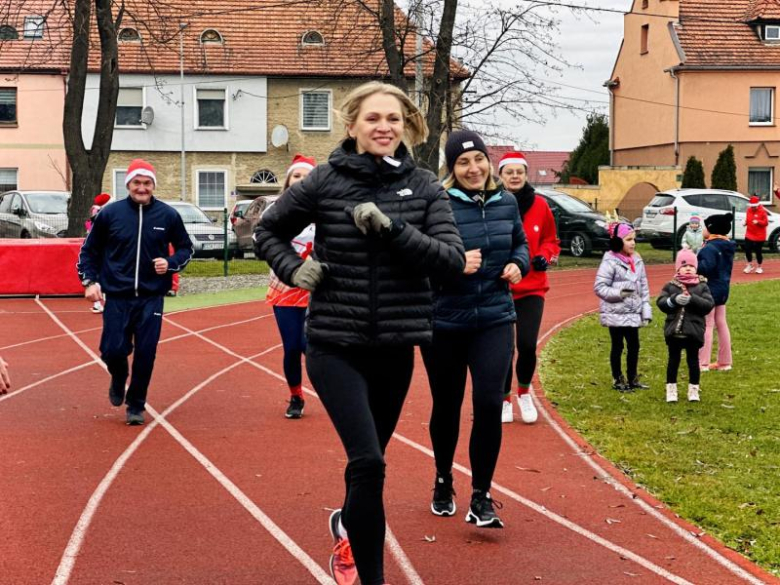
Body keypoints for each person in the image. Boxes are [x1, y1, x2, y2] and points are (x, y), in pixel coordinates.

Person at [253, 82, 465, 585]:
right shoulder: (325, 181)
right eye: (372, 118)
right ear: (352, 126)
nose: (383, 127)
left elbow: (452, 261)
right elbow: (267, 230)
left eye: (392, 118)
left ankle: (347, 524)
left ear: (406, 126)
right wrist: (292, 269)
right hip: (333, 343)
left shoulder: (426, 187)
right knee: (369, 461)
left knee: (368, 465)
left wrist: (393, 229)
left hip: (394, 348)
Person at [422, 131, 528, 529]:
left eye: (479, 160)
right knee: (446, 406)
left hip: (496, 318)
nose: (473, 168)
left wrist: (520, 264)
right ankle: (443, 478)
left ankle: (481, 495)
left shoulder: (507, 202)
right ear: (452, 168)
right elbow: (421, 260)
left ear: (488, 162)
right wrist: (452, 263)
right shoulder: (437, 204)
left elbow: (520, 245)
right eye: (463, 163)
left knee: (489, 404)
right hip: (446, 321)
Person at [77, 159, 193, 425]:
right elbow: (89, 251)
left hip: (151, 296)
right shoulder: (110, 214)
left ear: (153, 186)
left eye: (147, 183)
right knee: (112, 350)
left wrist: (172, 263)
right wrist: (89, 282)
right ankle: (118, 376)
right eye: (137, 183)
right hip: (117, 295)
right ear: (128, 184)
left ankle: (136, 404)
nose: (142, 188)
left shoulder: (168, 215)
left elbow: (187, 248)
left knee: (146, 351)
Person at [497, 151, 560, 424]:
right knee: (503, 348)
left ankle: (524, 392)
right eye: (508, 172)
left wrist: (545, 255)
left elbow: (551, 239)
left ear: (525, 174)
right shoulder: (493, 203)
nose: (514, 176)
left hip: (532, 287)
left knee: (525, 344)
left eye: (519, 172)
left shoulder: (541, 206)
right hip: (499, 288)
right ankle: (504, 399)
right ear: (500, 176)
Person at [264, 154, 317, 419]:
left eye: (307, 177)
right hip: (284, 289)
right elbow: (263, 241)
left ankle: (335, 390)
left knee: (313, 344)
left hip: (317, 290)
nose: (301, 181)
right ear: (288, 180)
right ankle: (296, 396)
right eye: (296, 176)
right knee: (292, 346)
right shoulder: (275, 211)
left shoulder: (325, 212)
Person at [593, 222, 652, 392]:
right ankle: (618, 378)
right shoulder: (610, 262)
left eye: (634, 239)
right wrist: (620, 293)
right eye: (628, 239)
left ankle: (632, 378)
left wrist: (645, 311)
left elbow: (644, 287)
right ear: (618, 242)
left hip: (633, 313)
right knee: (617, 346)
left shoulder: (638, 260)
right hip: (615, 313)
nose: (633, 243)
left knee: (634, 345)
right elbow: (599, 287)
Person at [656, 250, 714, 402]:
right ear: (677, 268)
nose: (688, 268)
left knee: (693, 361)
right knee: (673, 361)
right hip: (674, 332)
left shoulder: (702, 286)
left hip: (693, 332)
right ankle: (671, 389)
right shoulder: (670, 286)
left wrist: (692, 299)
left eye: (691, 266)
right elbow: (661, 303)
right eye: (684, 265)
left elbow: (708, 305)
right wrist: (674, 300)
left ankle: (693, 390)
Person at [697, 213, 736, 372]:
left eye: (705, 226)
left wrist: (695, 265)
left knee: (707, 324)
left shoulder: (710, 248)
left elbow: (706, 268)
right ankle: (725, 362)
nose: (702, 229)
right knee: (721, 323)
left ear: (711, 229)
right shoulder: (727, 246)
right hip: (723, 289)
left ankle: (702, 363)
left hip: (709, 289)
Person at [85, 192, 112, 313]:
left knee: (100, 276)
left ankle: (99, 303)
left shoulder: (98, 211)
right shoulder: (101, 212)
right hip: (101, 246)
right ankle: (100, 302)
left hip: (101, 247)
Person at [742, 196, 768, 274]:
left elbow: (766, 223)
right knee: (747, 249)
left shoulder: (762, 211)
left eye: (754, 207)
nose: (753, 208)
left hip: (759, 235)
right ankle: (749, 265)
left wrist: (758, 222)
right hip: (749, 233)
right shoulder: (748, 210)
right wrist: (745, 223)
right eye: (752, 206)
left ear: (757, 205)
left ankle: (759, 267)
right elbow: (748, 219)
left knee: (758, 251)